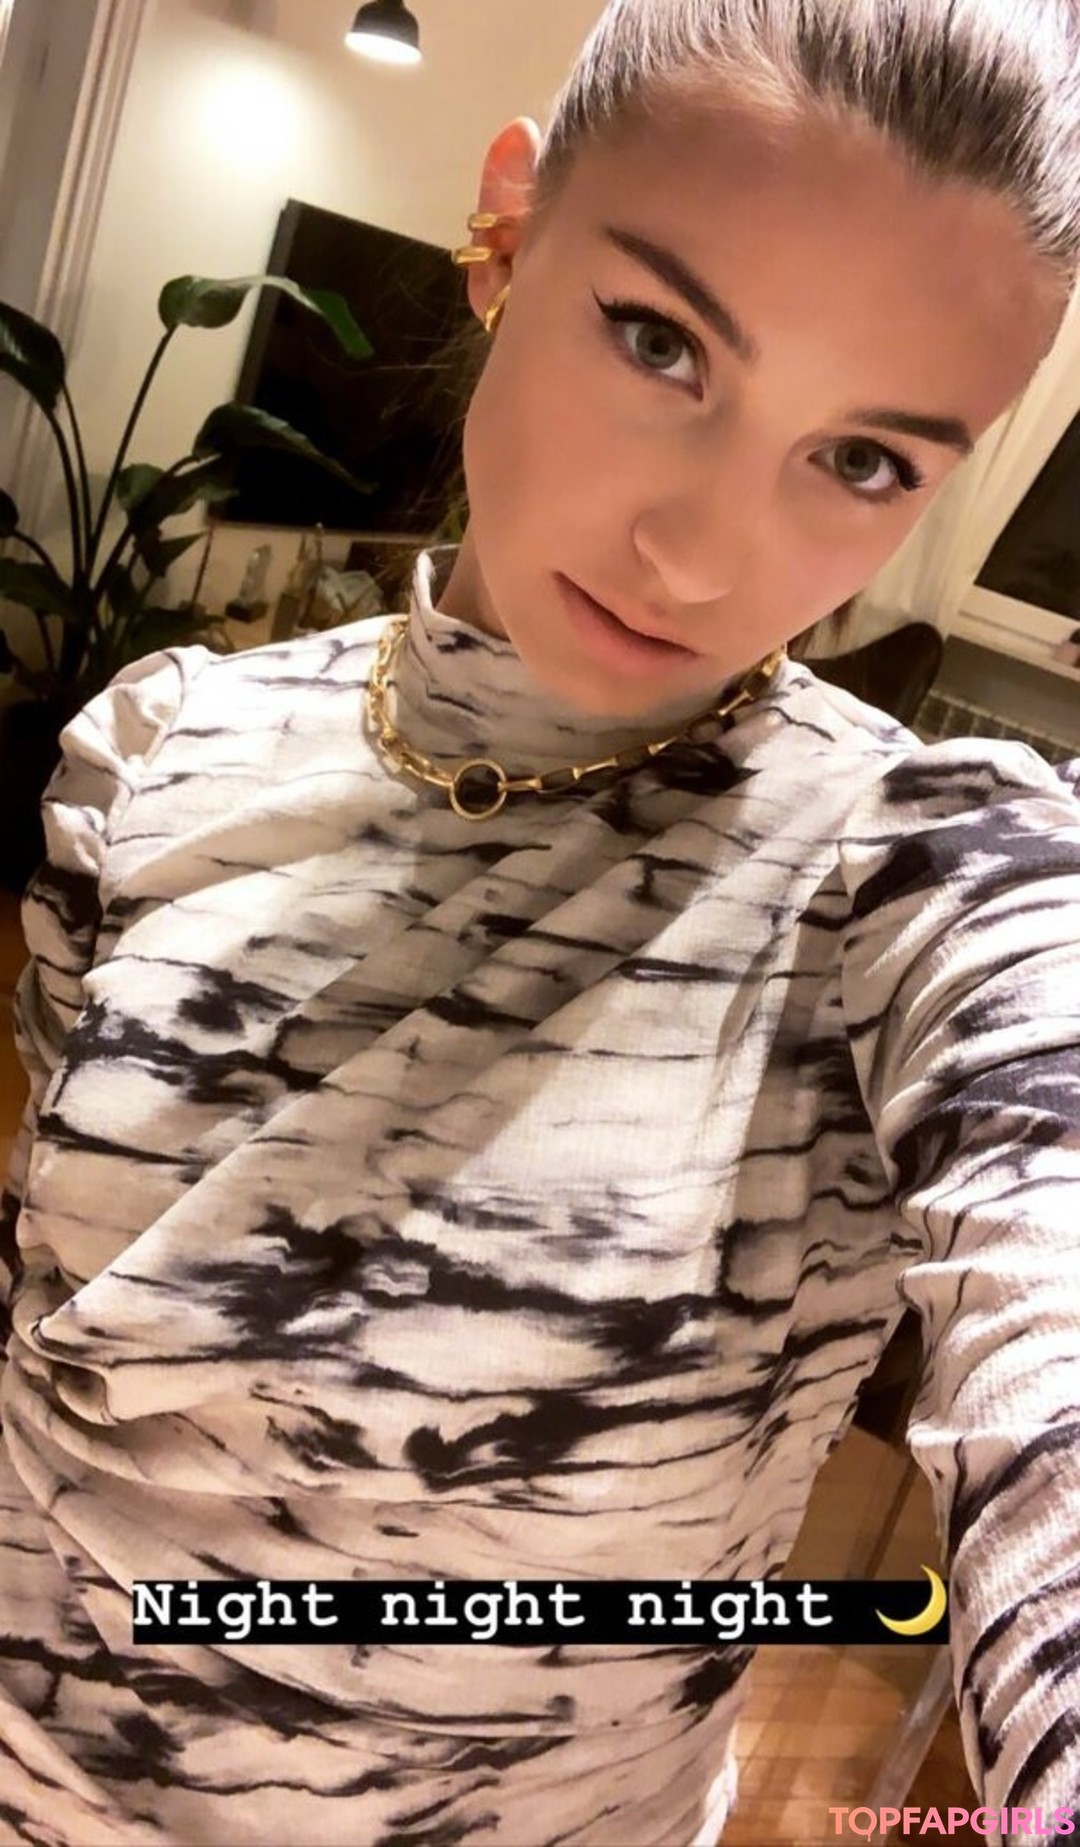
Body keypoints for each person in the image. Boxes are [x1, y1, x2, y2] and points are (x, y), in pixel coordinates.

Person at [1, 0, 1079, 1841]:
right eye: (662, 343)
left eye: (866, 461)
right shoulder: (154, 753)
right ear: (506, 230)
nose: (701, 556)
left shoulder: (920, 872)